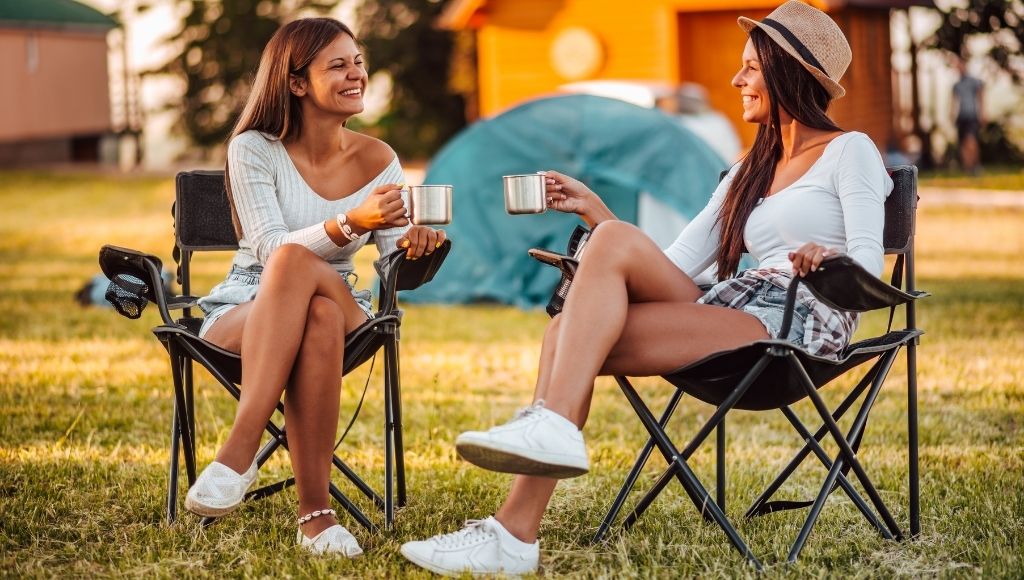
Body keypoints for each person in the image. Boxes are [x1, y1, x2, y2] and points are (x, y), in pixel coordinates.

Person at [400, 1, 892, 575]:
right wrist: (596, 211)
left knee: (578, 313)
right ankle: (515, 530)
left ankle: (531, 479)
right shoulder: (747, 170)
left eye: (751, 68)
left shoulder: (848, 150)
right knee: (576, 307)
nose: (737, 80)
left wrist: (825, 256)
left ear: (791, 72)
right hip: (736, 305)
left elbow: (867, 265)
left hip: (799, 321)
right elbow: (673, 264)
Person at [183, 18, 445, 556]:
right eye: (338, 65)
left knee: (311, 285)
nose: (356, 74)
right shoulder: (254, 148)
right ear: (297, 82)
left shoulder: (380, 160)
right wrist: (351, 222)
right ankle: (317, 519)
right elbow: (268, 249)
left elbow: (394, 258)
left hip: (346, 297)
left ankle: (238, 451)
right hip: (247, 301)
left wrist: (417, 243)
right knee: (307, 303)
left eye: (359, 62)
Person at [951, 57, 985, 174]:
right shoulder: (956, 85)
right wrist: (952, 114)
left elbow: (981, 97)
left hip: (972, 115)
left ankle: (976, 164)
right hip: (961, 116)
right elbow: (954, 101)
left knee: (971, 141)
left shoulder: (974, 82)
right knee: (962, 143)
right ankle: (967, 168)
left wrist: (982, 113)